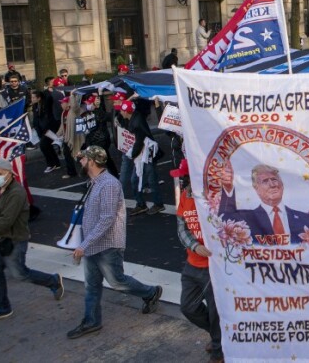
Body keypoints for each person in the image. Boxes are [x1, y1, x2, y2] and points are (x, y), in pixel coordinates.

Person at [68, 146, 162, 339]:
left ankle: (151, 293)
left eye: (83, 159)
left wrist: (83, 245)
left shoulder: (109, 184)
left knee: (117, 281)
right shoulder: (94, 182)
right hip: (93, 244)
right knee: (92, 285)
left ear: (92, 162)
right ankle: (91, 321)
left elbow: (107, 219)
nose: (80, 162)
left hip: (108, 245)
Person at [0, 158, 64, 323]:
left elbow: (4, 221)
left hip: (14, 240)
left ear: (9, 173)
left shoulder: (17, 193)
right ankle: (1, 307)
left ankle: (52, 281)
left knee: (20, 274)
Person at [174, 160, 223, 363]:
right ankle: (218, 336)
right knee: (188, 307)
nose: (180, 181)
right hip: (192, 264)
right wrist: (194, 246)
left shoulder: (215, 197)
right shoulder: (185, 196)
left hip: (213, 267)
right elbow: (181, 227)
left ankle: (219, 351)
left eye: (183, 177)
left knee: (216, 312)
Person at [219, 164, 309, 244]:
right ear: (256, 189)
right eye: (265, 181)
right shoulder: (245, 220)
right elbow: (223, 220)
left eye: (274, 179)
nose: (272, 185)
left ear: (282, 185)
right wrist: (228, 188)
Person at [118, 100, 163, 215]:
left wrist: (131, 154)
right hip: (142, 154)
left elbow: (139, 142)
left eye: (122, 110)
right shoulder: (135, 118)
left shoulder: (136, 123)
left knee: (149, 179)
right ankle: (143, 204)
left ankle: (154, 204)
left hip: (146, 154)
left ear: (126, 112)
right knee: (140, 179)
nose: (120, 112)